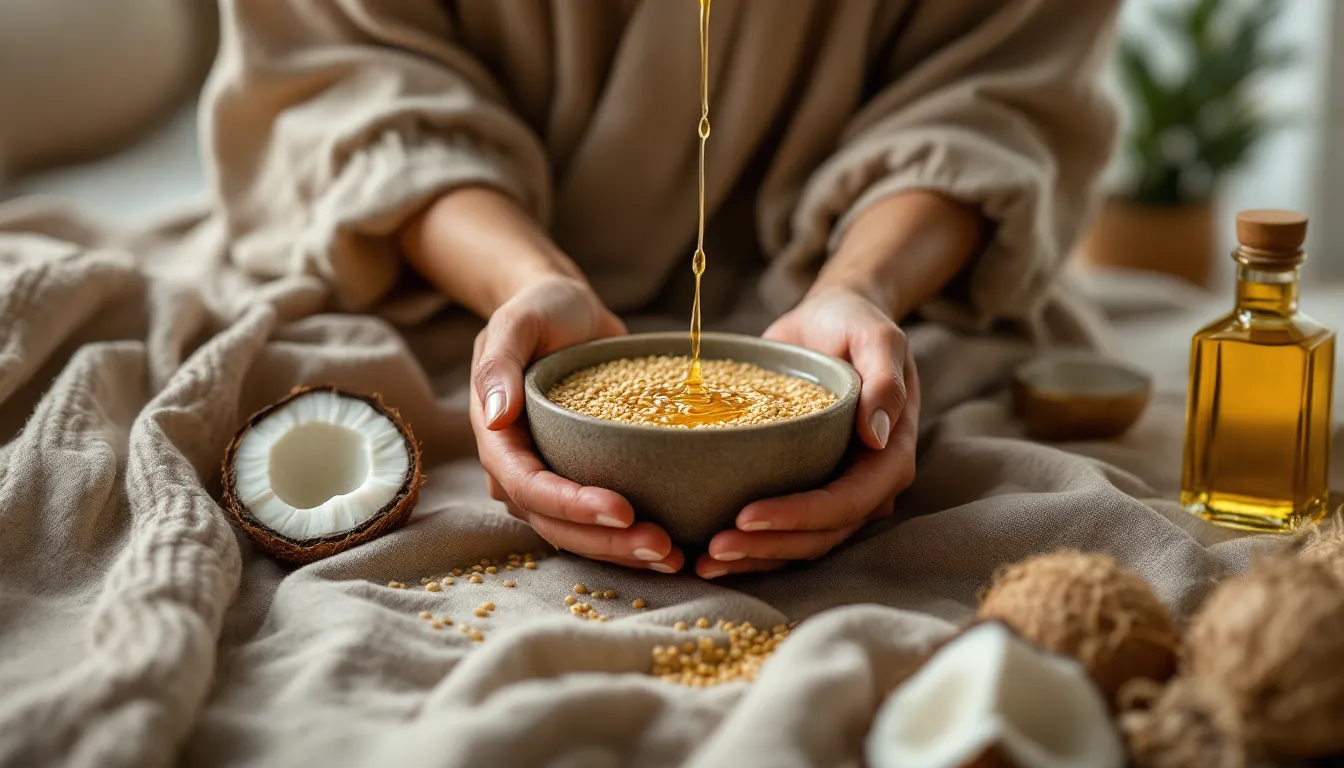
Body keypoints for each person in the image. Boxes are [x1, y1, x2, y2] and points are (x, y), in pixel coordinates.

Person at [205, 0, 1121, 579]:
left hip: (885, 266)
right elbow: (354, 79)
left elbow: (991, 93)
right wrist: (532, 284)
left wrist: (859, 285)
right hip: (445, 269)